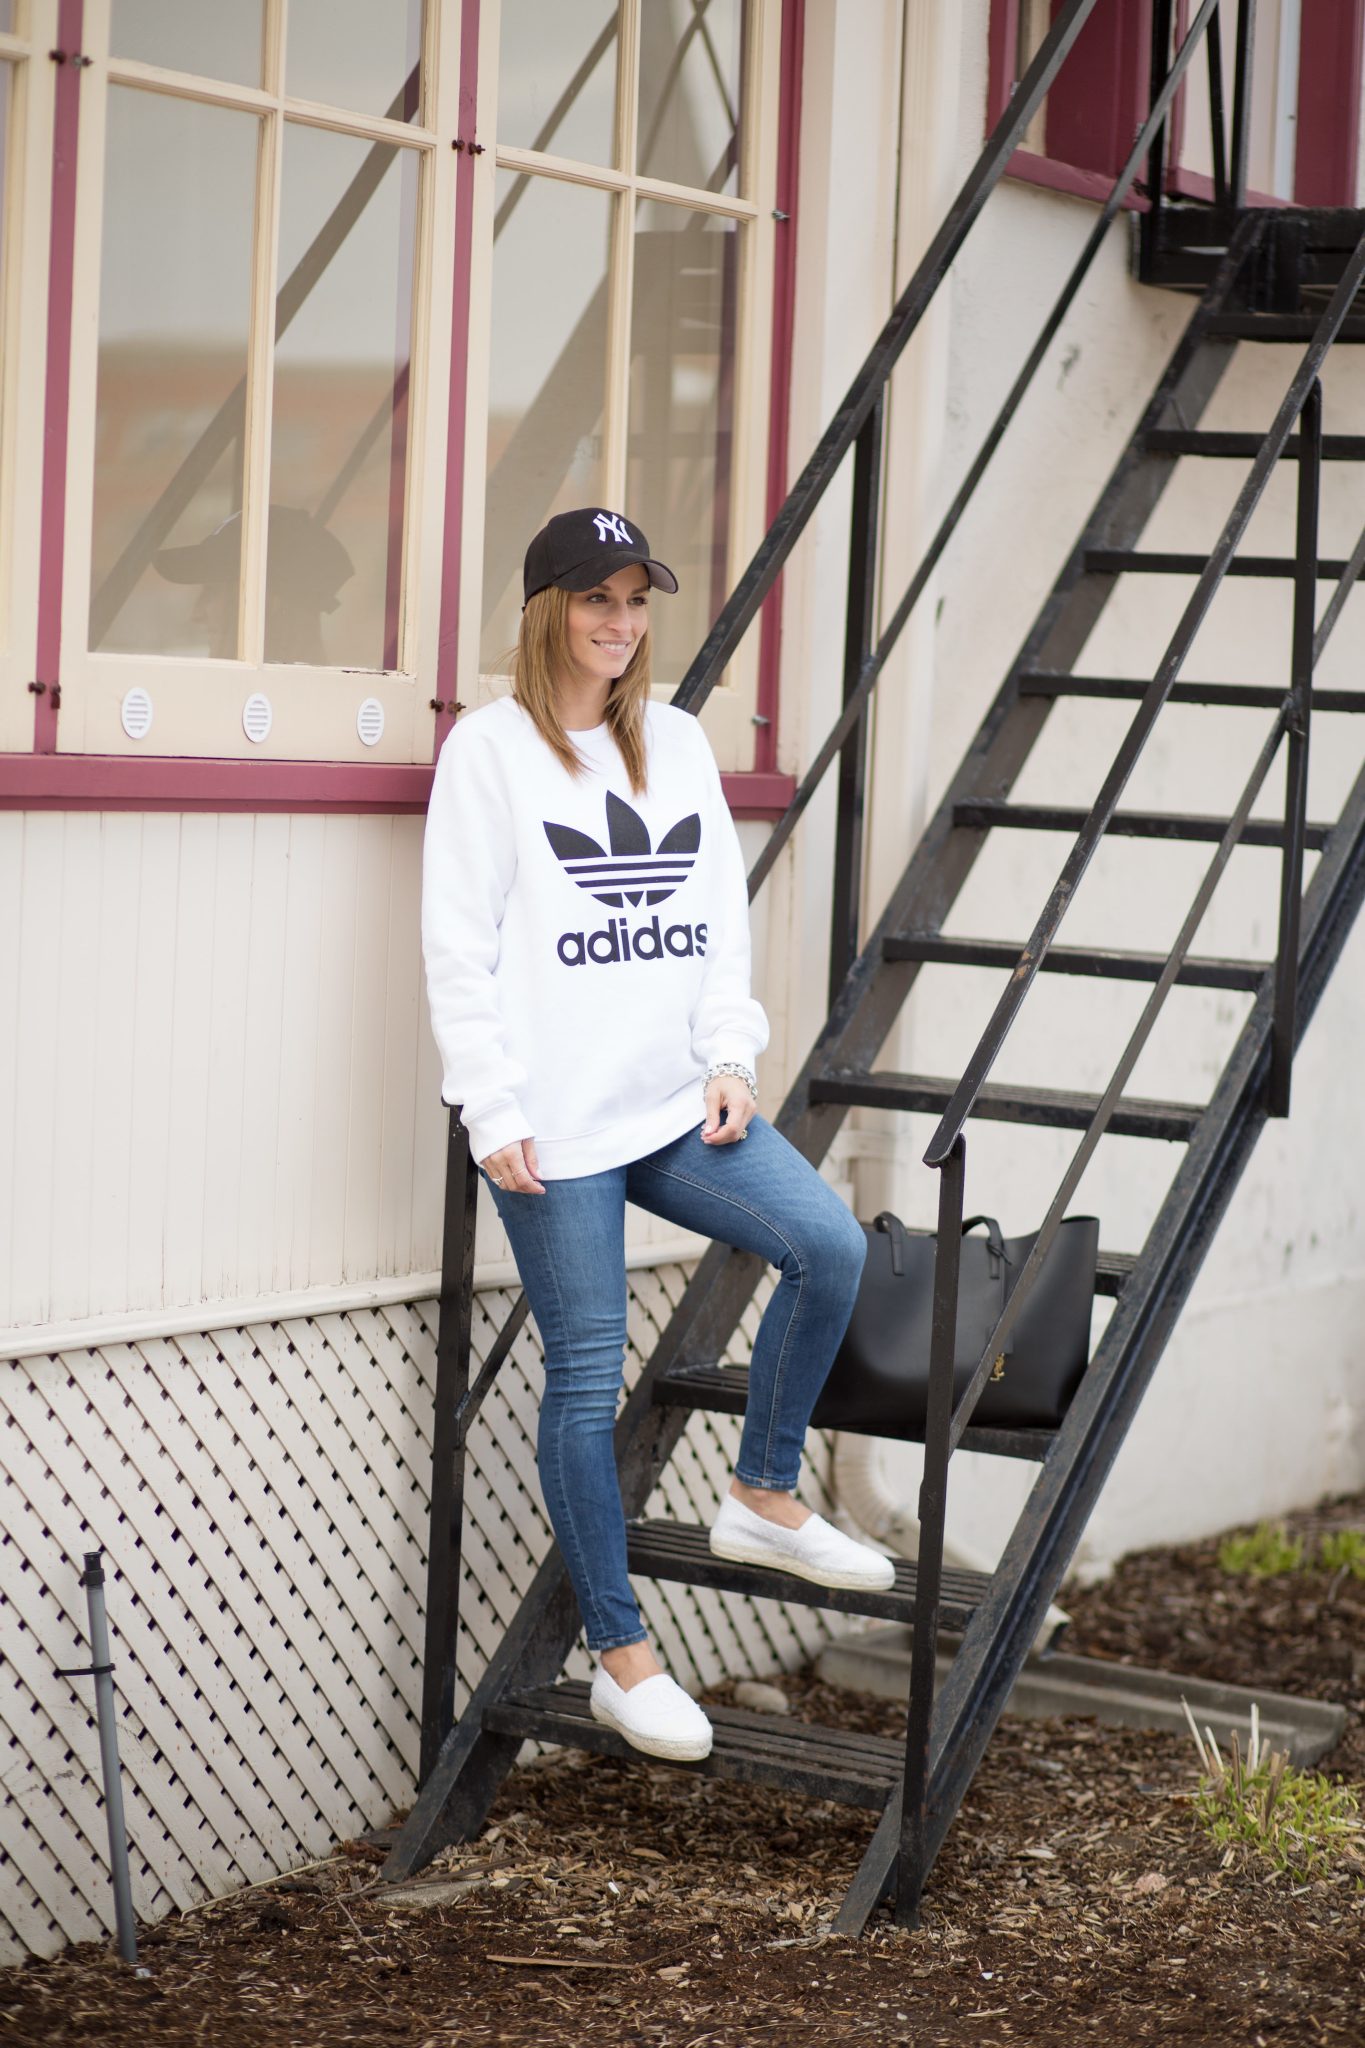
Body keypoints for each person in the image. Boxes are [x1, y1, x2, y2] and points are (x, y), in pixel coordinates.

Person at [421, 506, 892, 1765]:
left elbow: (718, 924)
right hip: (554, 1126)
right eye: (598, 599)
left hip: (675, 1102)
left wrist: (730, 1054)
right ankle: (623, 1658)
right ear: (548, 611)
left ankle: (762, 1490)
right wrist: (491, 1104)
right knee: (586, 1377)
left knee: (828, 1244)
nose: (622, 624)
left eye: (636, 601)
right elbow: (457, 949)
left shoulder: (675, 742)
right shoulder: (489, 753)